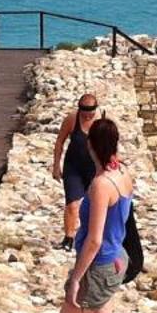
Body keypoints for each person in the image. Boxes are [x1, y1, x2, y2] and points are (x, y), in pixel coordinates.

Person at [51, 116, 136, 313]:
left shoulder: (101, 186)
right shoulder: (123, 173)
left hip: (99, 267)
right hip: (118, 260)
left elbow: (94, 239)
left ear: (90, 145)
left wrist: (76, 278)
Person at [50, 92, 100, 249]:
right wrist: (56, 165)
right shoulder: (72, 119)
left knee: (95, 204)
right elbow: (60, 141)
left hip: (94, 168)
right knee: (72, 204)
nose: (87, 117)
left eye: (90, 114)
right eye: (84, 114)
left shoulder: (102, 120)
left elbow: (110, 143)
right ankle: (68, 238)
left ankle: (92, 237)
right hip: (74, 167)